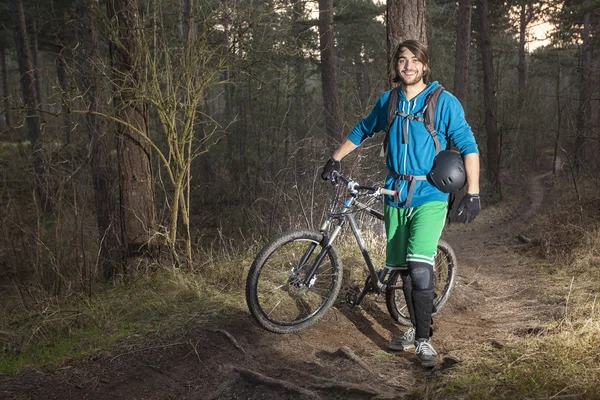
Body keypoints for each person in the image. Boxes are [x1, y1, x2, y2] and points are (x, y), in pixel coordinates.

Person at [320, 39, 481, 368]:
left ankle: (423, 341)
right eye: (402, 60)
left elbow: (468, 146)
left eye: (414, 60)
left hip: (430, 196)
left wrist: (473, 191)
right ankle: (413, 330)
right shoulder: (388, 101)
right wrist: (335, 158)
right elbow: (364, 129)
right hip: (395, 193)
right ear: (396, 66)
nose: (407, 66)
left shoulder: (443, 102)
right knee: (405, 268)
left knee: (420, 267)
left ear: (425, 65)